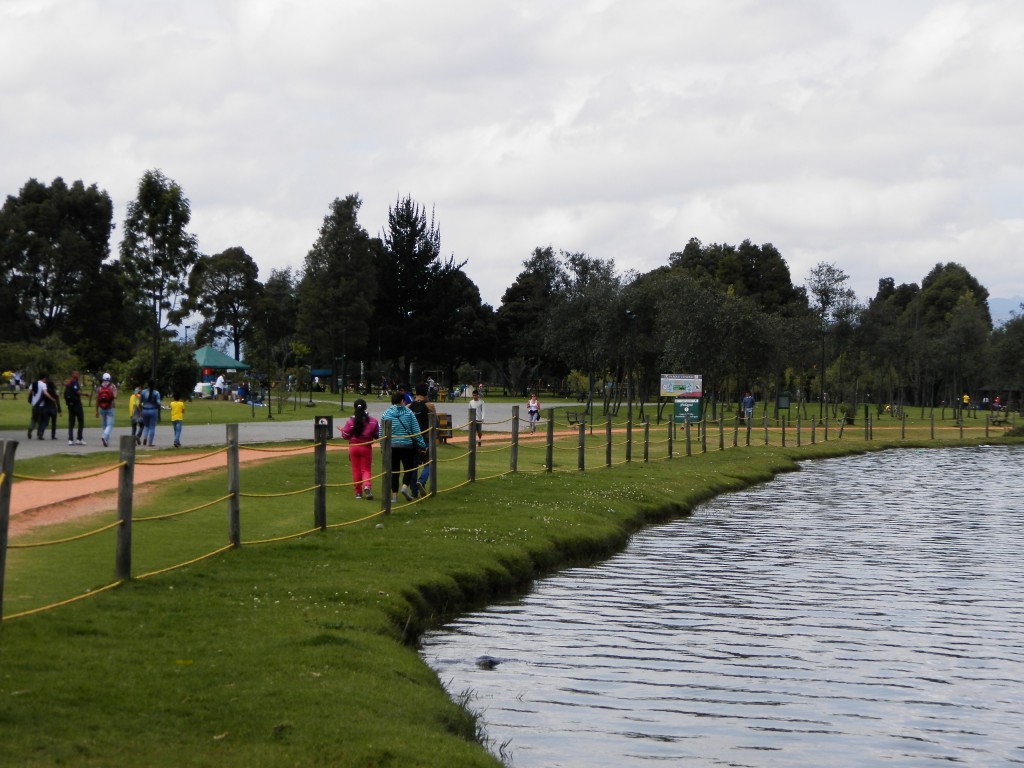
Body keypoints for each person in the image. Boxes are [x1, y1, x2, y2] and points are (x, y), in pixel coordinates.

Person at [378, 392, 426, 502]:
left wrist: (382, 447)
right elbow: (416, 430)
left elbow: (381, 432)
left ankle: (394, 496)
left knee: (394, 471)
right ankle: (404, 487)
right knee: (408, 469)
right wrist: (422, 445)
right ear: (402, 401)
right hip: (406, 445)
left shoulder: (386, 413)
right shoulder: (408, 413)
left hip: (391, 446)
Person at [339, 398, 379, 500]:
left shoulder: (350, 421)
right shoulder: (373, 421)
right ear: (366, 407)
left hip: (353, 447)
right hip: (366, 447)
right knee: (366, 469)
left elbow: (346, 435)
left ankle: (357, 493)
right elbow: (377, 434)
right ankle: (366, 485)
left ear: (354, 407)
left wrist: (342, 430)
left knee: (355, 470)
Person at [408, 383, 436, 497]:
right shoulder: (430, 405)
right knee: (429, 462)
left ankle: (414, 491)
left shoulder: (409, 406)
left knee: (413, 466)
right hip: (425, 438)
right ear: (426, 392)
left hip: (412, 440)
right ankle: (422, 480)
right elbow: (435, 421)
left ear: (416, 392)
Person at [94, 373, 117, 447]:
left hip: (102, 408)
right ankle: (104, 436)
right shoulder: (112, 386)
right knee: (110, 424)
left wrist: (96, 411)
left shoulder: (99, 387)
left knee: (104, 424)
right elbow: (115, 395)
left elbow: (97, 400)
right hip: (110, 407)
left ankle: (106, 440)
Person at [64, 370, 86, 445]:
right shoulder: (74, 382)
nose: (78, 375)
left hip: (70, 405)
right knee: (81, 421)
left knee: (71, 422)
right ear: (73, 374)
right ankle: (79, 439)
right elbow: (77, 391)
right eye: (76, 374)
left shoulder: (68, 383)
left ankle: (70, 440)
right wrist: (85, 394)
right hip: (77, 405)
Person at [139, 379, 161, 447]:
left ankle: (145, 437)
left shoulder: (143, 392)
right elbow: (158, 403)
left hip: (145, 409)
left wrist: (141, 409)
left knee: (146, 426)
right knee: (152, 427)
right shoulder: (156, 393)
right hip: (153, 410)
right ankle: (150, 442)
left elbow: (140, 402)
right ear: (154, 385)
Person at [27, 372, 49, 439]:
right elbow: (45, 393)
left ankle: (30, 429)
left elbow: (29, 392)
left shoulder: (33, 384)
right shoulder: (43, 385)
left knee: (33, 418)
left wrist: (31, 399)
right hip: (41, 405)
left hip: (34, 404)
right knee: (41, 420)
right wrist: (52, 398)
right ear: (44, 378)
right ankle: (39, 434)